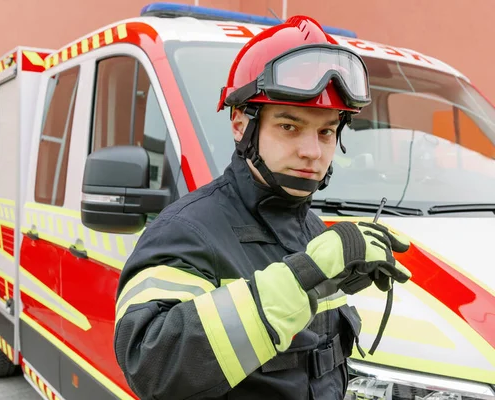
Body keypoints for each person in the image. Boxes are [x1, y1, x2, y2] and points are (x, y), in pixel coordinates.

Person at [113, 15, 412, 400]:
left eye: (326, 131)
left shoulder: (314, 233)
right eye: (289, 126)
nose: (312, 150)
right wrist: (304, 274)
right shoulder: (186, 230)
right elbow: (150, 365)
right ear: (241, 124)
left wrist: (337, 277)